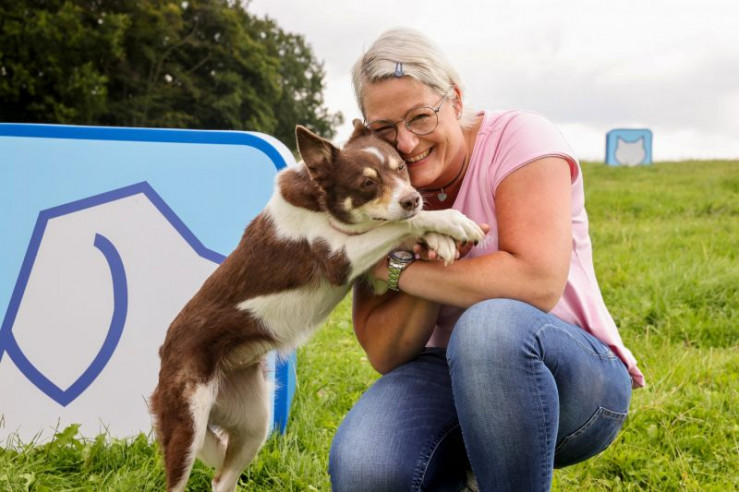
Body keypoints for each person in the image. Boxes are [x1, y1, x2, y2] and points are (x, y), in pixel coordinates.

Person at [328, 28, 645, 492]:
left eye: (420, 117)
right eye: (385, 129)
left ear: (455, 100)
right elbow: (384, 351)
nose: (407, 144)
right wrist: (430, 258)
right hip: (446, 374)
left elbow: (536, 281)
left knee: (488, 328)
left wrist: (398, 270)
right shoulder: (376, 193)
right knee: (367, 468)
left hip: (573, 376)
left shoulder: (520, 138)